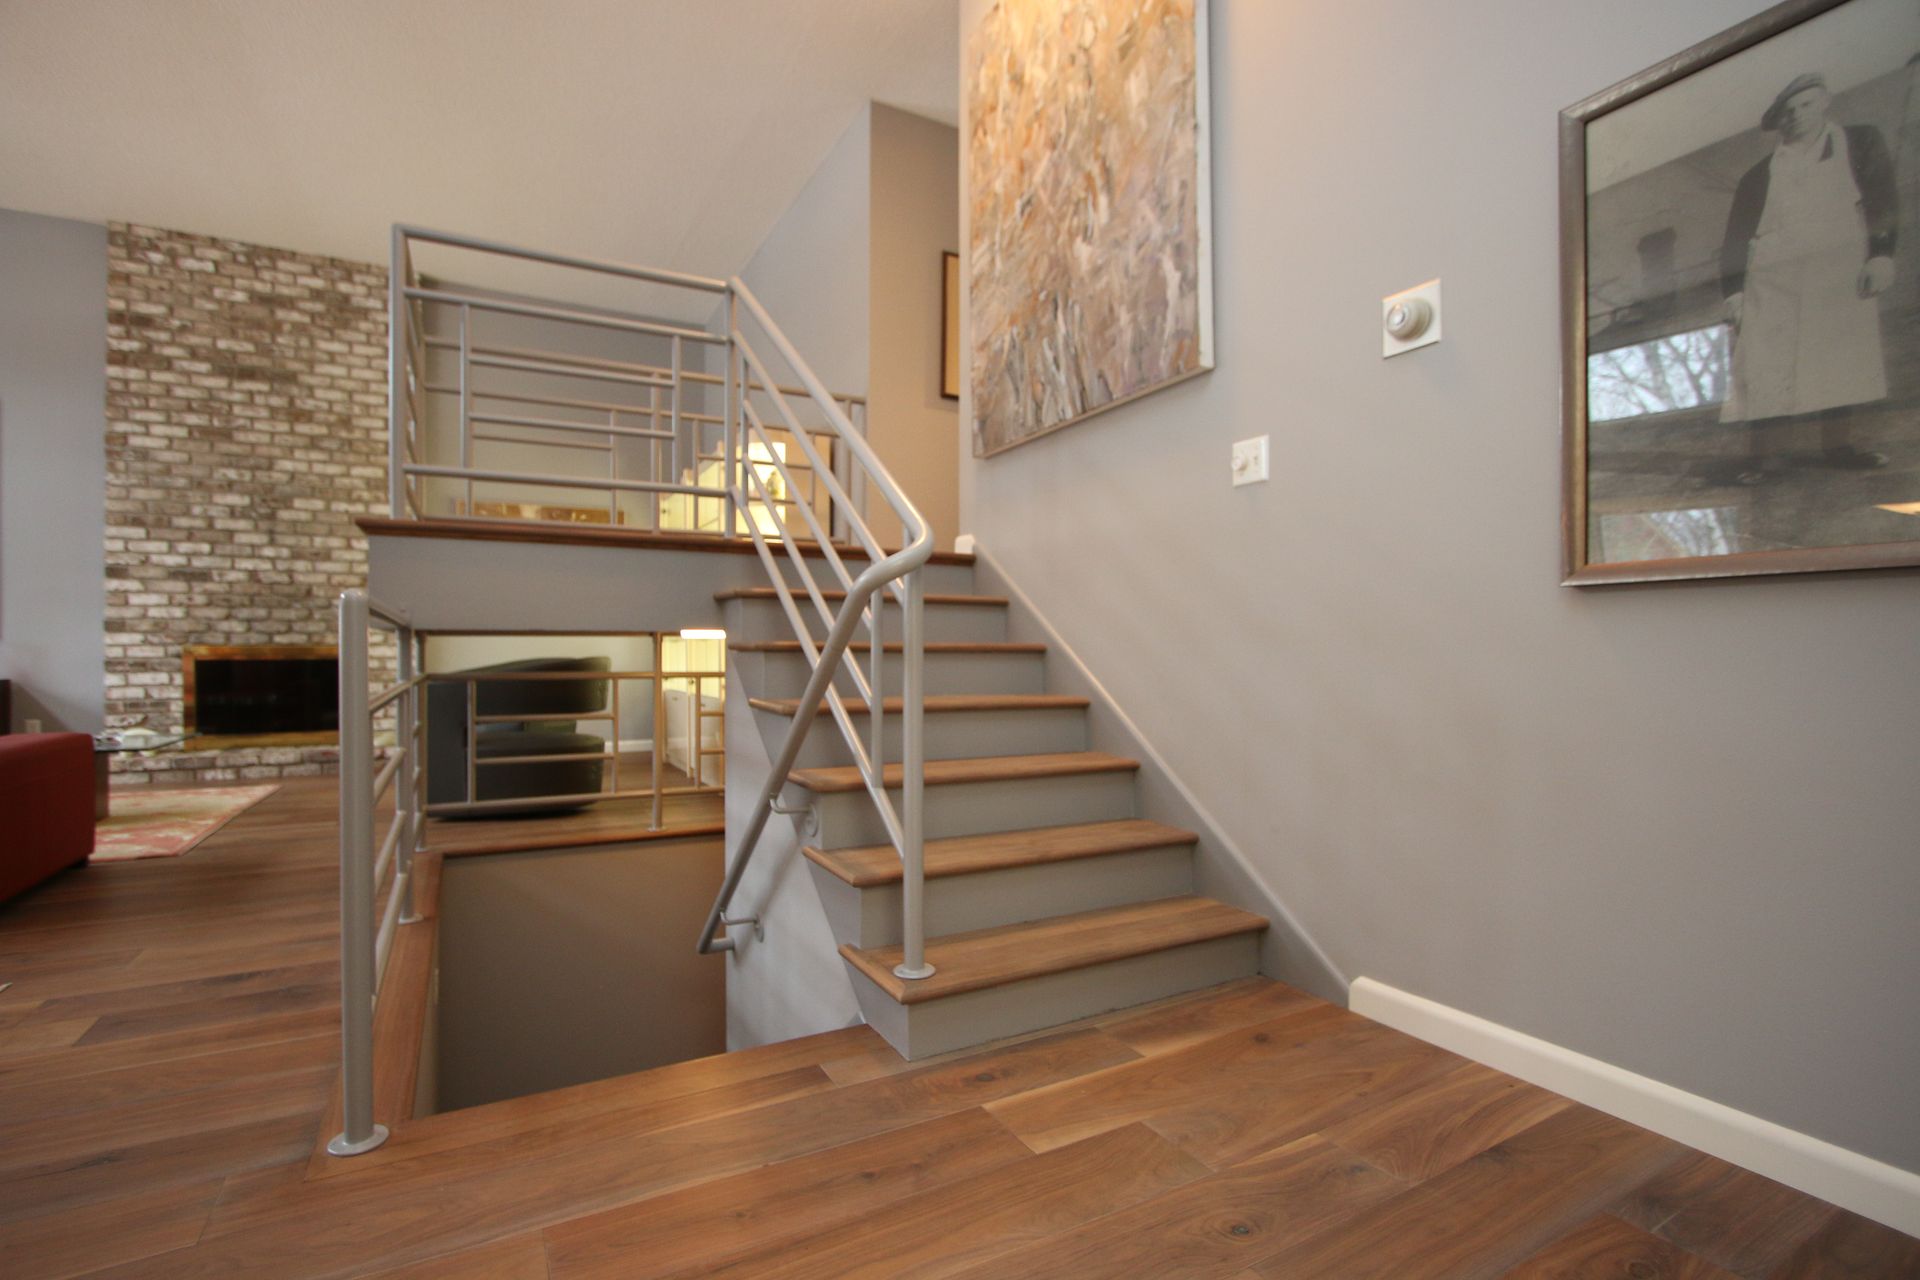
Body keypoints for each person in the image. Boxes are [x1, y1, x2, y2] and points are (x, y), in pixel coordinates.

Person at [1718, 72, 1897, 481]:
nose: (1797, 116)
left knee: (1839, 357)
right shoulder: (1758, 175)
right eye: (1788, 111)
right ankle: (1764, 457)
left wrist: (1881, 255)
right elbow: (1735, 239)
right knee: (1767, 364)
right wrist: (1734, 293)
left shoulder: (1859, 143)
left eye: (1806, 106)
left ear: (1825, 103)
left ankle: (1839, 447)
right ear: (1778, 121)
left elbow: (1883, 200)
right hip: (1772, 279)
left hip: (1837, 270)